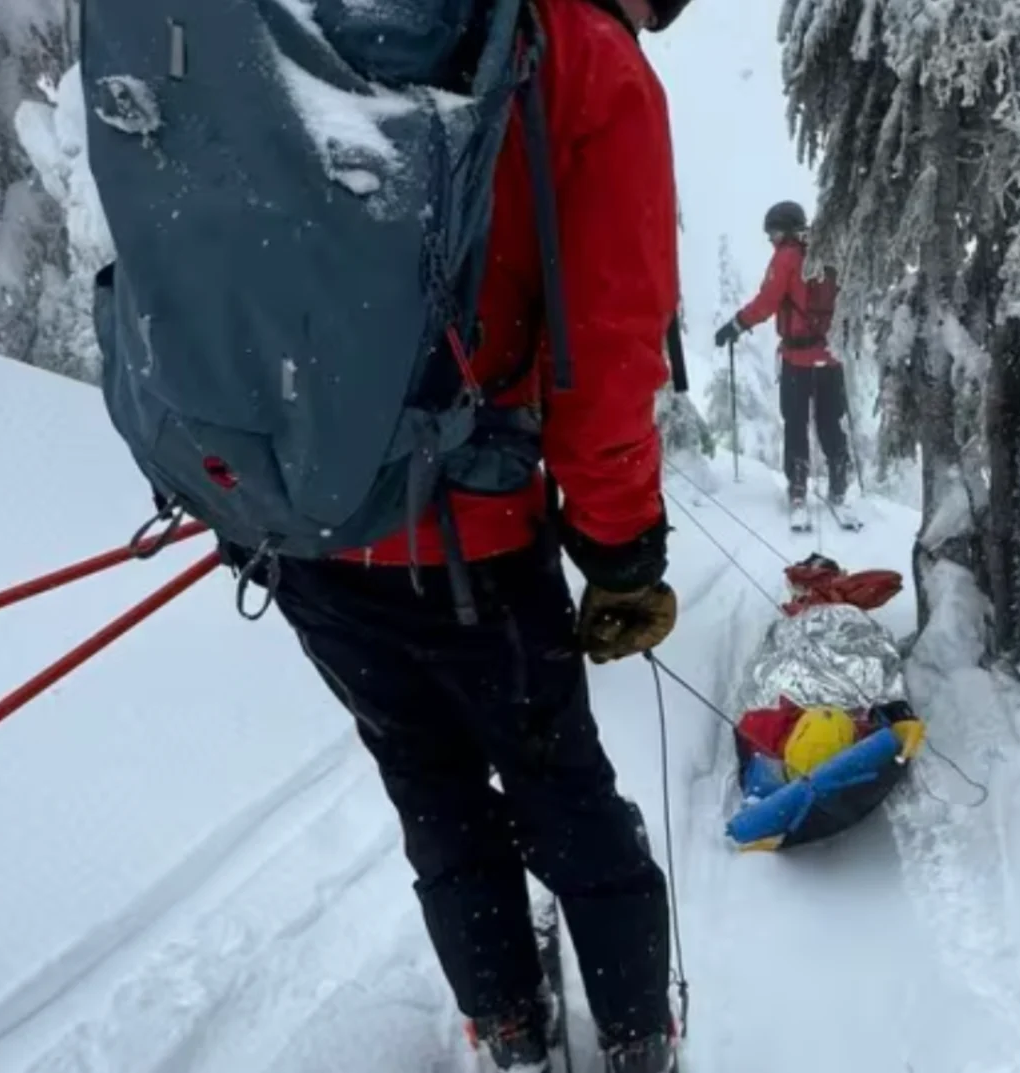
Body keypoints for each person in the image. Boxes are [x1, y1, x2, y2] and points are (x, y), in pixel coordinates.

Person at [267, 1, 690, 1070]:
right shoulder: (587, 57)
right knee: (565, 796)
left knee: (434, 790)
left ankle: (508, 1025)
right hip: (474, 541)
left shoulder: (304, 16)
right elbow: (604, 347)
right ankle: (639, 1038)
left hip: (303, 525)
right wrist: (621, 545)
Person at [713, 201, 857, 530]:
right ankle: (838, 484)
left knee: (795, 423)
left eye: (773, 233)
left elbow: (767, 302)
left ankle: (797, 490)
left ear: (785, 229)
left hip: (797, 359)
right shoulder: (829, 250)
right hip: (830, 357)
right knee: (829, 422)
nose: (772, 240)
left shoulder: (787, 257)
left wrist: (735, 325)